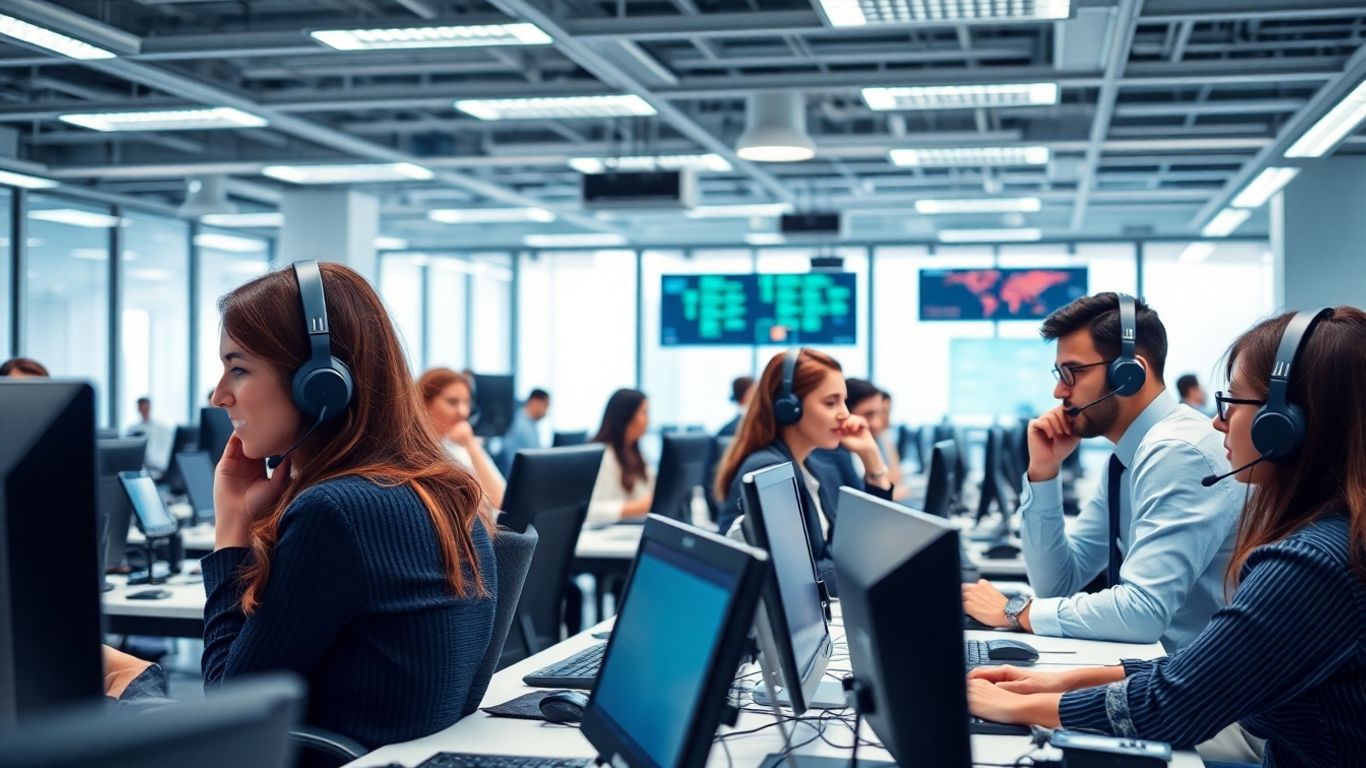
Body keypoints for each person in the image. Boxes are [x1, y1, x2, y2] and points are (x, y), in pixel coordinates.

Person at [967, 307, 1366, 768]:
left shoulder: (1310, 561)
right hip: (1225, 701)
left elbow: (1176, 695)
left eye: (1233, 402)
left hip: (1228, 718)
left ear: (1280, 426)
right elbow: (1067, 587)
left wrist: (1015, 704)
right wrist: (1058, 682)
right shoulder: (1330, 535)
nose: (1218, 422)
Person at [126, 261, 495, 748]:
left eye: (238, 369)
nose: (219, 396)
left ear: (321, 382)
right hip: (383, 756)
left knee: (99, 683)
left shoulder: (338, 510)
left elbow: (231, 709)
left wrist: (232, 528)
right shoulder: (447, 491)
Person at [963, 293, 1240, 652]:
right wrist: (1043, 473)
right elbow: (1059, 584)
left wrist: (1018, 611)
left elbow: (1144, 612)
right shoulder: (1128, 457)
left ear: (1129, 374)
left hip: (1197, 691)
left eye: (1072, 372)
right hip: (1157, 674)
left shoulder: (1178, 452)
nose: (1059, 390)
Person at [715, 349, 894, 591]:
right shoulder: (768, 470)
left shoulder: (820, 468)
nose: (845, 414)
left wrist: (872, 461)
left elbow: (862, 546)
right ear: (788, 407)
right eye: (831, 402)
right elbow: (802, 576)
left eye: (843, 401)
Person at [419, 367, 506, 510]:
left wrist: (470, 444)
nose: (463, 412)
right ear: (424, 404)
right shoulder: (418, 453)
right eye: (452, 402)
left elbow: (500, 499)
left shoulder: (460, 444)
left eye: (466, 403)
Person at [586, 388, 653, 524]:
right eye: (644, 413)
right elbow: (590, 511)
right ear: (626, 416)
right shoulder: (603, 457)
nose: (648, 421)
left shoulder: (636, 454)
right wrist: (639, 507)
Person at [846, 380, 909, 501]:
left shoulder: (874, 441)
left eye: (879, 414)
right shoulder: (836, 455)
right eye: (869, 414)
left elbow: (895, 477)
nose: (878, 423)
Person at [126, 396, 174, 474]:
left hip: (160, 465)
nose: (144, 410)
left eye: (145, 407)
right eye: (141, 407)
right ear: (138, 409)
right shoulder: (132, 429)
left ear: (150, 408)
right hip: (142, 466)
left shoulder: (162, 428)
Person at [501, 388, 550, 461]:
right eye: (545, 406)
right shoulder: (521, 425)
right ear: (534, 402)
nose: (546, 411)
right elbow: (535, 456)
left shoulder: (531, 423)